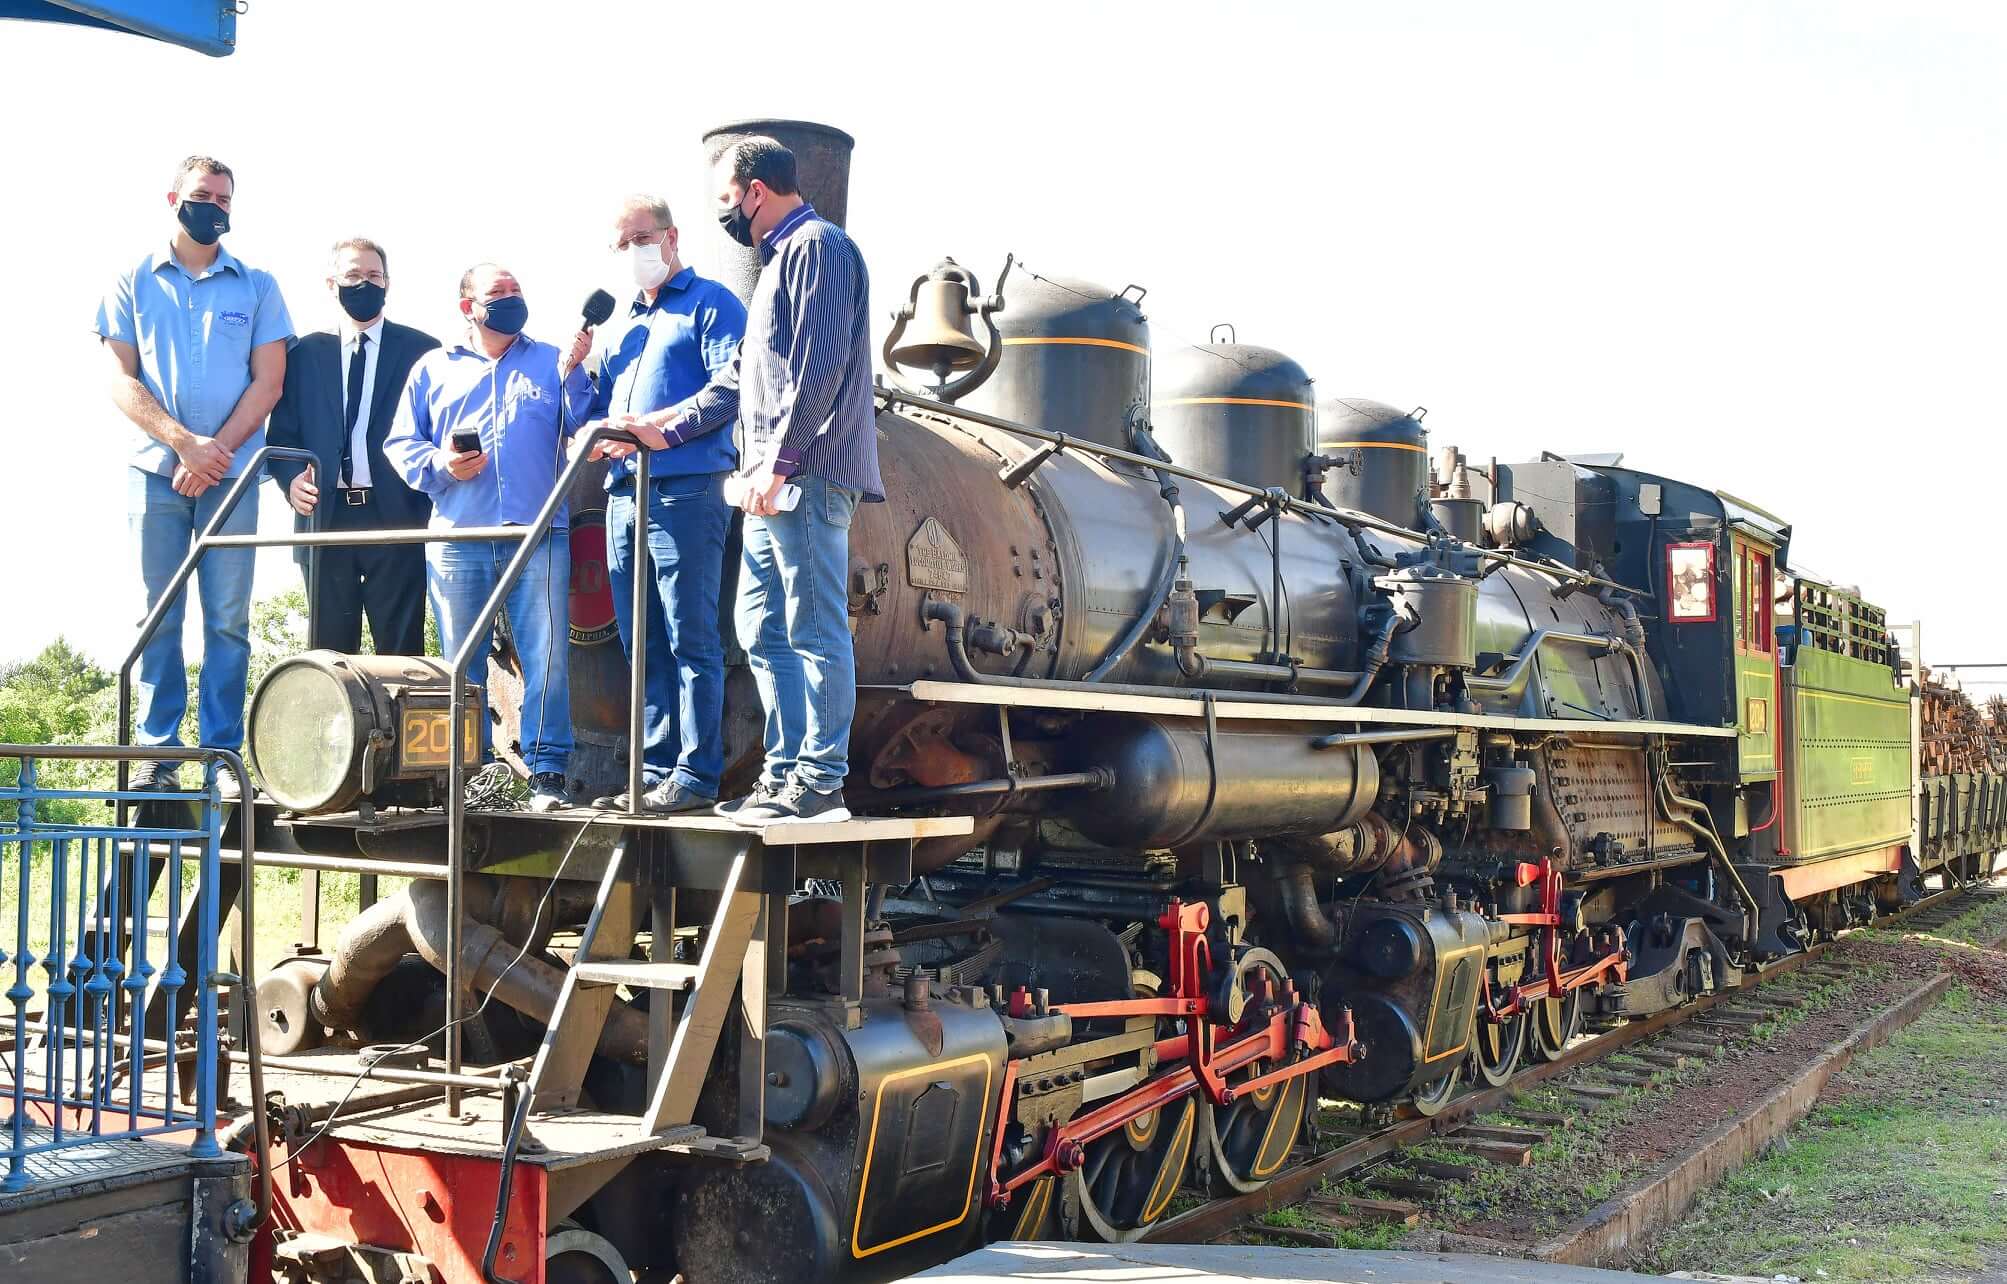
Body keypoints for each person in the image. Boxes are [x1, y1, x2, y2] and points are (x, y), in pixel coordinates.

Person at [605, 138, 880, 826]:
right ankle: (783, 773)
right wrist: (661, 428)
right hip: (766, 482)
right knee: (759, 626)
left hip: (804, 477)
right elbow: (737, 380)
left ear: (755, 191)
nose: (724, 212)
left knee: (812, 626)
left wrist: (778, 461)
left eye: (727, 197)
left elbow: (818, 369)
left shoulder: (816, 247)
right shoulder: (778, 263)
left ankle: (820, 781)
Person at [96, 155, 293, 798]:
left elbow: (269, 382)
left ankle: (221, 755)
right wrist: (184, 445)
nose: (215, 207)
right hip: (153, 471)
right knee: (158, 614)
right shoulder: (132, 280)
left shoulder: (258, 285)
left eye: (225, 199)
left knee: (228, 618)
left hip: (231, 478)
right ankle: (158, 753)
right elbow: (121, 380)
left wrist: (215, 454)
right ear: (174, 197)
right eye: (204, 195)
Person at [383, 264, 592, 812]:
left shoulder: (552, 360)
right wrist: (443, 464)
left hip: (538, 536)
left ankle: (548, 774)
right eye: (497, 293)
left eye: (516, 290)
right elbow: (400, 444)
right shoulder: (432, 369)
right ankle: (465, 775)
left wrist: (575, 372)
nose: (510, 299)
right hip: (459, 538)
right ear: (468, 307)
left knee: (548, 658)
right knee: (460, 665)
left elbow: (586, 423)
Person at [577, 196, 745, 814]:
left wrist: (661, 432)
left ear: (671, 237)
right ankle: (652, 771)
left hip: (687, 491)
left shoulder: (712, 304)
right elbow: (599, 409)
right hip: (623, 495)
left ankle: (696, 776)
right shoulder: (622, 328)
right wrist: (576, 386)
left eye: (641, 238)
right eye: (622, 244)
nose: (633, 252)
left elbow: (731, 387)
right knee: (639, 641)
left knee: (690, 638)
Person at [267, 238, 441, 654]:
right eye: (353, 275)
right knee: (328, 657)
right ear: (332, 283)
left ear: (387, 283)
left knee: (402, 655)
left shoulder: (424, 351)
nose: (365, 283)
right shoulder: (304, 353)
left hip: (397, 518)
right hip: (324, 520)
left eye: (374, 275)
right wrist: (292, 483)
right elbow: (282, 438)